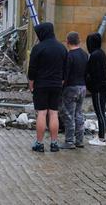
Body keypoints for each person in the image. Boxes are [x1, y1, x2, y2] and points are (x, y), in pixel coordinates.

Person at [28, 22, 67, 153]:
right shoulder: (62, 48)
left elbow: (32, 69)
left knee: (42, 113)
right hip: (56, 85)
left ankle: (39, 143)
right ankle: (54, 143)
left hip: (41, 85)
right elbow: (65, 68)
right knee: (54, 113)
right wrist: (61, 81)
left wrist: (31, 84)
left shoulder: (38, 48)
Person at [60, 32, 88, 149]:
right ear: (78, 40)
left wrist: (61, 86)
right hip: (82, 87)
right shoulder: (84, 54)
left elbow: (65, 74)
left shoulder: (69, 56)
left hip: (71, 87)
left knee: (69, 114)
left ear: (68, 41)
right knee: (79, 114)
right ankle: (80, 140)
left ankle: (69, 141)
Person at [85, 32, 106, 146]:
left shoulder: (94, 55)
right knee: (101, 112)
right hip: (104, 87)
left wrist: (89, 84)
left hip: (99, 88)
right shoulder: (101, 53)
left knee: (100, 113)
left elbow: (90, 72)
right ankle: (101, 136)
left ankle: (101, 139)